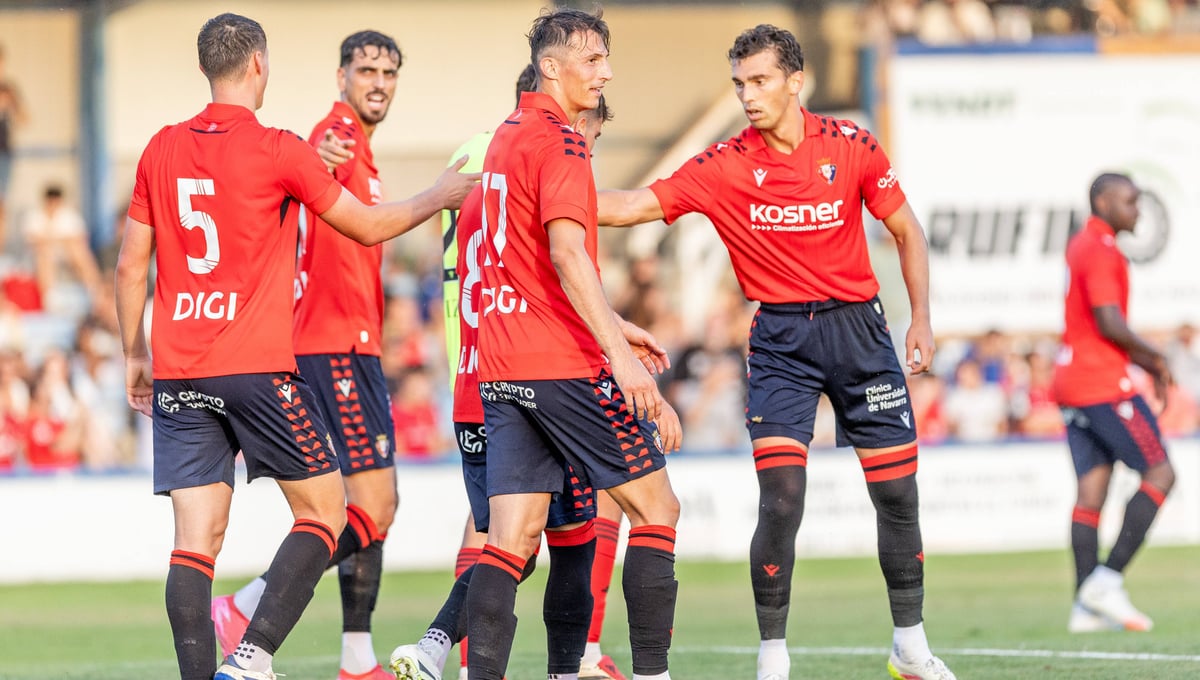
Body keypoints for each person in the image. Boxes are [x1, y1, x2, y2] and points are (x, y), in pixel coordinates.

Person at [114, 13, 477, 680]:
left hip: (181, 371)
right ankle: (251, 657)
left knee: (193, 546)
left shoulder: (160, 147)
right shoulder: (281, 148)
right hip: (256, 367)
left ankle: (218, 670)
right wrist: (441, 194)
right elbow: (366, 227)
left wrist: (136, 355)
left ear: (206, 69)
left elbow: (132, 266)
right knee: (327, 512)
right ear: (260, 65)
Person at [598, 24, 955, 680]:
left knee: (898, 498)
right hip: (782, 342)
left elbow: (906, 231)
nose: (748, 96)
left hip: (861, 336)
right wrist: (547, 195)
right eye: (739, 84)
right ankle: (773, 658)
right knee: (782, 498)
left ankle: (910, 644)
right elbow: (632, 206)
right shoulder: (726, 163)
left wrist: (922, 320)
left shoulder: (851, 146)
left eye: (760, 81)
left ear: (796, 81)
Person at [386, 80, 639, 680]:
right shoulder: (548, 155)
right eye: (594, 135)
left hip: (473, 376)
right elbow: (556, 267)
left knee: (501, 536)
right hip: (537, 368)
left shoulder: (478, 155)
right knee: (568, 531)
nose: (591, 147)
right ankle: (574, 659)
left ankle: (437, 648)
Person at [464, 8, 683, 680]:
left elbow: (533, 261)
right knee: (656, 510)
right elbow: (565, 252)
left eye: (605, 58)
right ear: (550, 67)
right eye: (591, 60)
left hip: (500, 369)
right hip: (561, 365)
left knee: (509, 541)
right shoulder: (562, 141)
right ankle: (652, 674)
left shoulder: (505, 136)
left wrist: (616, 324)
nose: (605, 72)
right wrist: (621, 361)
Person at [210, 30, 409, 680]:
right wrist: (317, 157)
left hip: (351, 346)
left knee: (365, 507)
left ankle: (357, 657)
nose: (378, 81)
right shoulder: (337, 136)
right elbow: (306, 164)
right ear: (341, 76)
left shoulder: (364, 152)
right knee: (374, 508)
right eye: (366, 69)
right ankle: (249, 609)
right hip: (334, 346)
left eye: (389, 71)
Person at [1053, 172, 1175, 633]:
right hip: (1100, 382)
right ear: (1103, 201)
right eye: (1130, 201)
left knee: (1091, 493)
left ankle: (1085, 607)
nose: (1137, 209)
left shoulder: (1081, 244)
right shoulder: (1101, 249)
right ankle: (1107, 579)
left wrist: (1145, 362)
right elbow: (1108, 322)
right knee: (1161, 473)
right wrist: (1155, 358)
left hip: (1072, 380)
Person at [22, 184, 103, 317]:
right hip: (39, 258)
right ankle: (48, 298)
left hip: (66, 256)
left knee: (78, 252)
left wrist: (52, 239)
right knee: (45, 253)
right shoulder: (35, 216)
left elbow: (79, 239)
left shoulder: (69, 215)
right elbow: (34, 241)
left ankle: (95, 291)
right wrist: (59, 240)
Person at [0, 44, 27, 245]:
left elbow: (24, 119)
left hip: (3, 153)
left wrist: (10, 108)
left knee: (1, 206)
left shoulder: (8, 90)